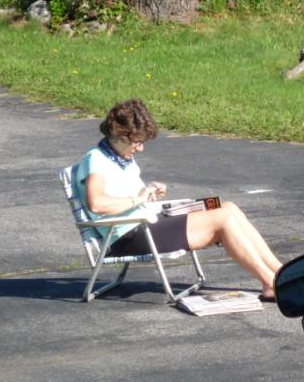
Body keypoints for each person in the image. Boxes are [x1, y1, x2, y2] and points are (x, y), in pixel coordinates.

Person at [74, 98, 282, 300]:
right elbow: (96, 203)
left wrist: (148, 192)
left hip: (147, 224)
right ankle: (270, 283)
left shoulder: (119, 157)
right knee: (223, 219)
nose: (141, 148)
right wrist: (137, 199)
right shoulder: (97, 160)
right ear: (118, 134)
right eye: (137, 142)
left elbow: (126, 196)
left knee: (229, 208)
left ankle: (281, 272)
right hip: (128, 236)